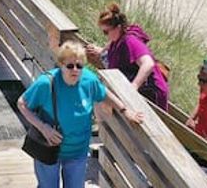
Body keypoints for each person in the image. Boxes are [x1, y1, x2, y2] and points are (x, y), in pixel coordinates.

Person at [18, 41, 144, 188]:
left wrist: (125, 111)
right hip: (48, 147)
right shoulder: (46, 83)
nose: (75, 70)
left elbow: (104, 94)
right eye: (70, 66)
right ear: (61, 65)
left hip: (78, 151)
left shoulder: (89, 80)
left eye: (79, 66)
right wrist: (43, 128)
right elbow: (22, 104)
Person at [88, 2, 169, 111]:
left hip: (152, 93)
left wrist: (134, 86)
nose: (105, 35)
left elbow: (148, 63)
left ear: (118, 28)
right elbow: (112, 46)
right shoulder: (118, 38)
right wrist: (101, 51)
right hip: (140, 90)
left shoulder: (130, 41)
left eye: (106, 32)